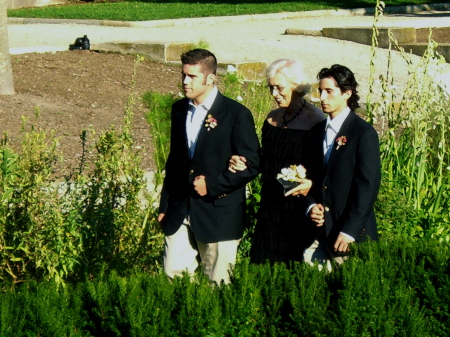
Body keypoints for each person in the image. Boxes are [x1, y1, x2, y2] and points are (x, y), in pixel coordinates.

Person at [158, 49, 260, 284]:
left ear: (211, 78)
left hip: (219, 213)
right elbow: (175, 162)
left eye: (192, 76)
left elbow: (252, 164)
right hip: (180, 209)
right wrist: (165, 205)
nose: (185, 81)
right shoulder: (179, 110)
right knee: (172, 275)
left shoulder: (236, 115)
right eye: (183, 74)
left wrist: (212, 185)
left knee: (218, 282)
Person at [229, 59, 325, 264]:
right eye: (271, 88)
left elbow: (322, 168)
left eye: (280, 87)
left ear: (297, 86)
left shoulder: (316, 121)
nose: (274, 94)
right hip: (270, 204)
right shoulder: (272, 119)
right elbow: (264, 159)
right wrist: (242, 162)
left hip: (298, 208)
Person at [303, 64, 381, 270]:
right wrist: (311, 206)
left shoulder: (363, 133)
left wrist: (350, 231)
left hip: (348, 236)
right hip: (317, 233)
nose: (322, 97)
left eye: (329, 91)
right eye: (321, 91)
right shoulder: (316, 131)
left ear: (347, 93)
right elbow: (310, 177)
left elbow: (368, 186)